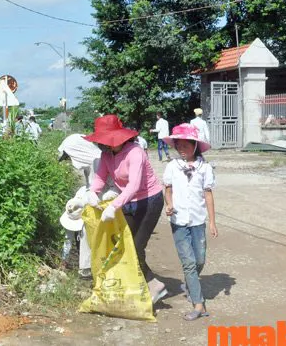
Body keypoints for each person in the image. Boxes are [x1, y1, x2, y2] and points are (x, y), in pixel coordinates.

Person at [84, 114, 168, 304]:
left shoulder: (135, 153)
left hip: (148, 201)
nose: (103, 144)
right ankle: (146, 283)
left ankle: (153, 285)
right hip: (127, 201)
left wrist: (114, 205)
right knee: (124, 245)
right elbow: (100, 177)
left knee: (136, 246)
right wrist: (93, 192)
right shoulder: (106, 155)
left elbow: (134, 185)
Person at [162, 123, 218, 321]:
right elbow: (167, 189)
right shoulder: (172, 167)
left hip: (197, 221)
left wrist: (212, 222)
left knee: (199, 260)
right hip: (178, 221)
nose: (182, 149)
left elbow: (208, 195)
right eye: (179, 146)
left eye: (186, 145)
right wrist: (168, 204)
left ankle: (190, 283)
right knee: (189, 263)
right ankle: (198, 304)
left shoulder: (205, 168)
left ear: (195, 146)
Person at [56, 134, 103, 278]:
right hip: (91, 204)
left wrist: (84, 203)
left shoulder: (98, 162)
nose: (70, 161)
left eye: (69, 157)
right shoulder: (90, 164)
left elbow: (100, 191)